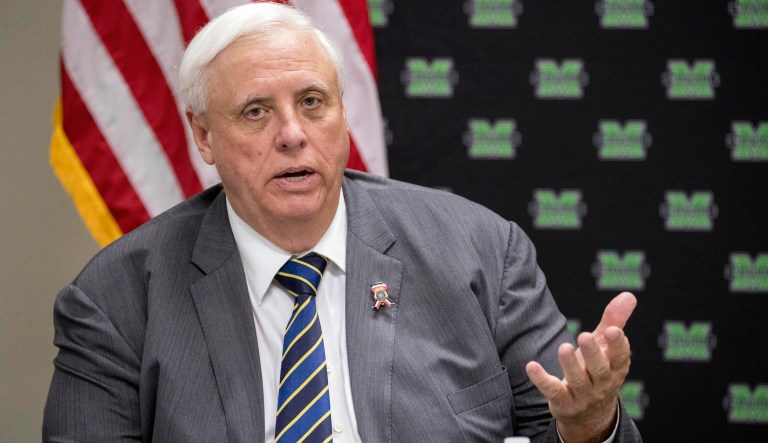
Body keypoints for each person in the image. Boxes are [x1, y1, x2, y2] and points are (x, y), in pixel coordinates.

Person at [43, 3, 641, 442]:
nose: (293, 134)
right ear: (203, 135)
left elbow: (560, 425)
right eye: (256, 112)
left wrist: (591, 428)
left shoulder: (480, 251)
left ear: (342, 112)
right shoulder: (116, 299)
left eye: (312, 102)